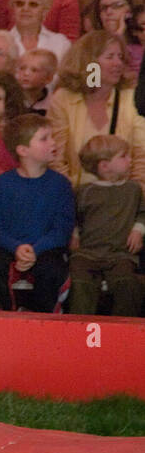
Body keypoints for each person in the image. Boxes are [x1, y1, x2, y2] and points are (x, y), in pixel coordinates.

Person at [0, 115, 74, 312]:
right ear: (23, 150)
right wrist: (16, 247)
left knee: (51, 268)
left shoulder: (61, 185)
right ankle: (4, 316)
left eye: (52, 137)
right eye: (44, 138)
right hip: (9, 248)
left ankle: (43, 321)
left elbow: (62, 230)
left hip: (46, 250)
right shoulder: (0, 185)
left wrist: (36, 249)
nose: (53, 143)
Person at [48, 30, 145, 188]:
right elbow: (55, 159)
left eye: (120, 57)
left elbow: (142, 159)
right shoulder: (63, 99)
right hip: (75, 196)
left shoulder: (132, 98)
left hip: (122, 199)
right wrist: (72, 197)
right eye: (110, 57)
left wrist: (131, 199)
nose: (118, 63)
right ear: (90, 63)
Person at [67, 134, 144, 317]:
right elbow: (74, 217)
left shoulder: (133, 190)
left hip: (119, 254)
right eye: (123, 156)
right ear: (104, 166)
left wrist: (138, 229)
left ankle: (124, 332)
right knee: (79, 281)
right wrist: (74, 233)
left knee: (127, 283)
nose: (130, 160)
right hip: (88, 253)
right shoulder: (85, 192)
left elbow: (142, 213)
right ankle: (81, 327)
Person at [5, 0, 71, 66]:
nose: (25, 8)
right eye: (20, 3)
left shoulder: (61, 43)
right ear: (12, 8)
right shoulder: (1, 43)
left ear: (45, 11)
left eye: (33, 4)